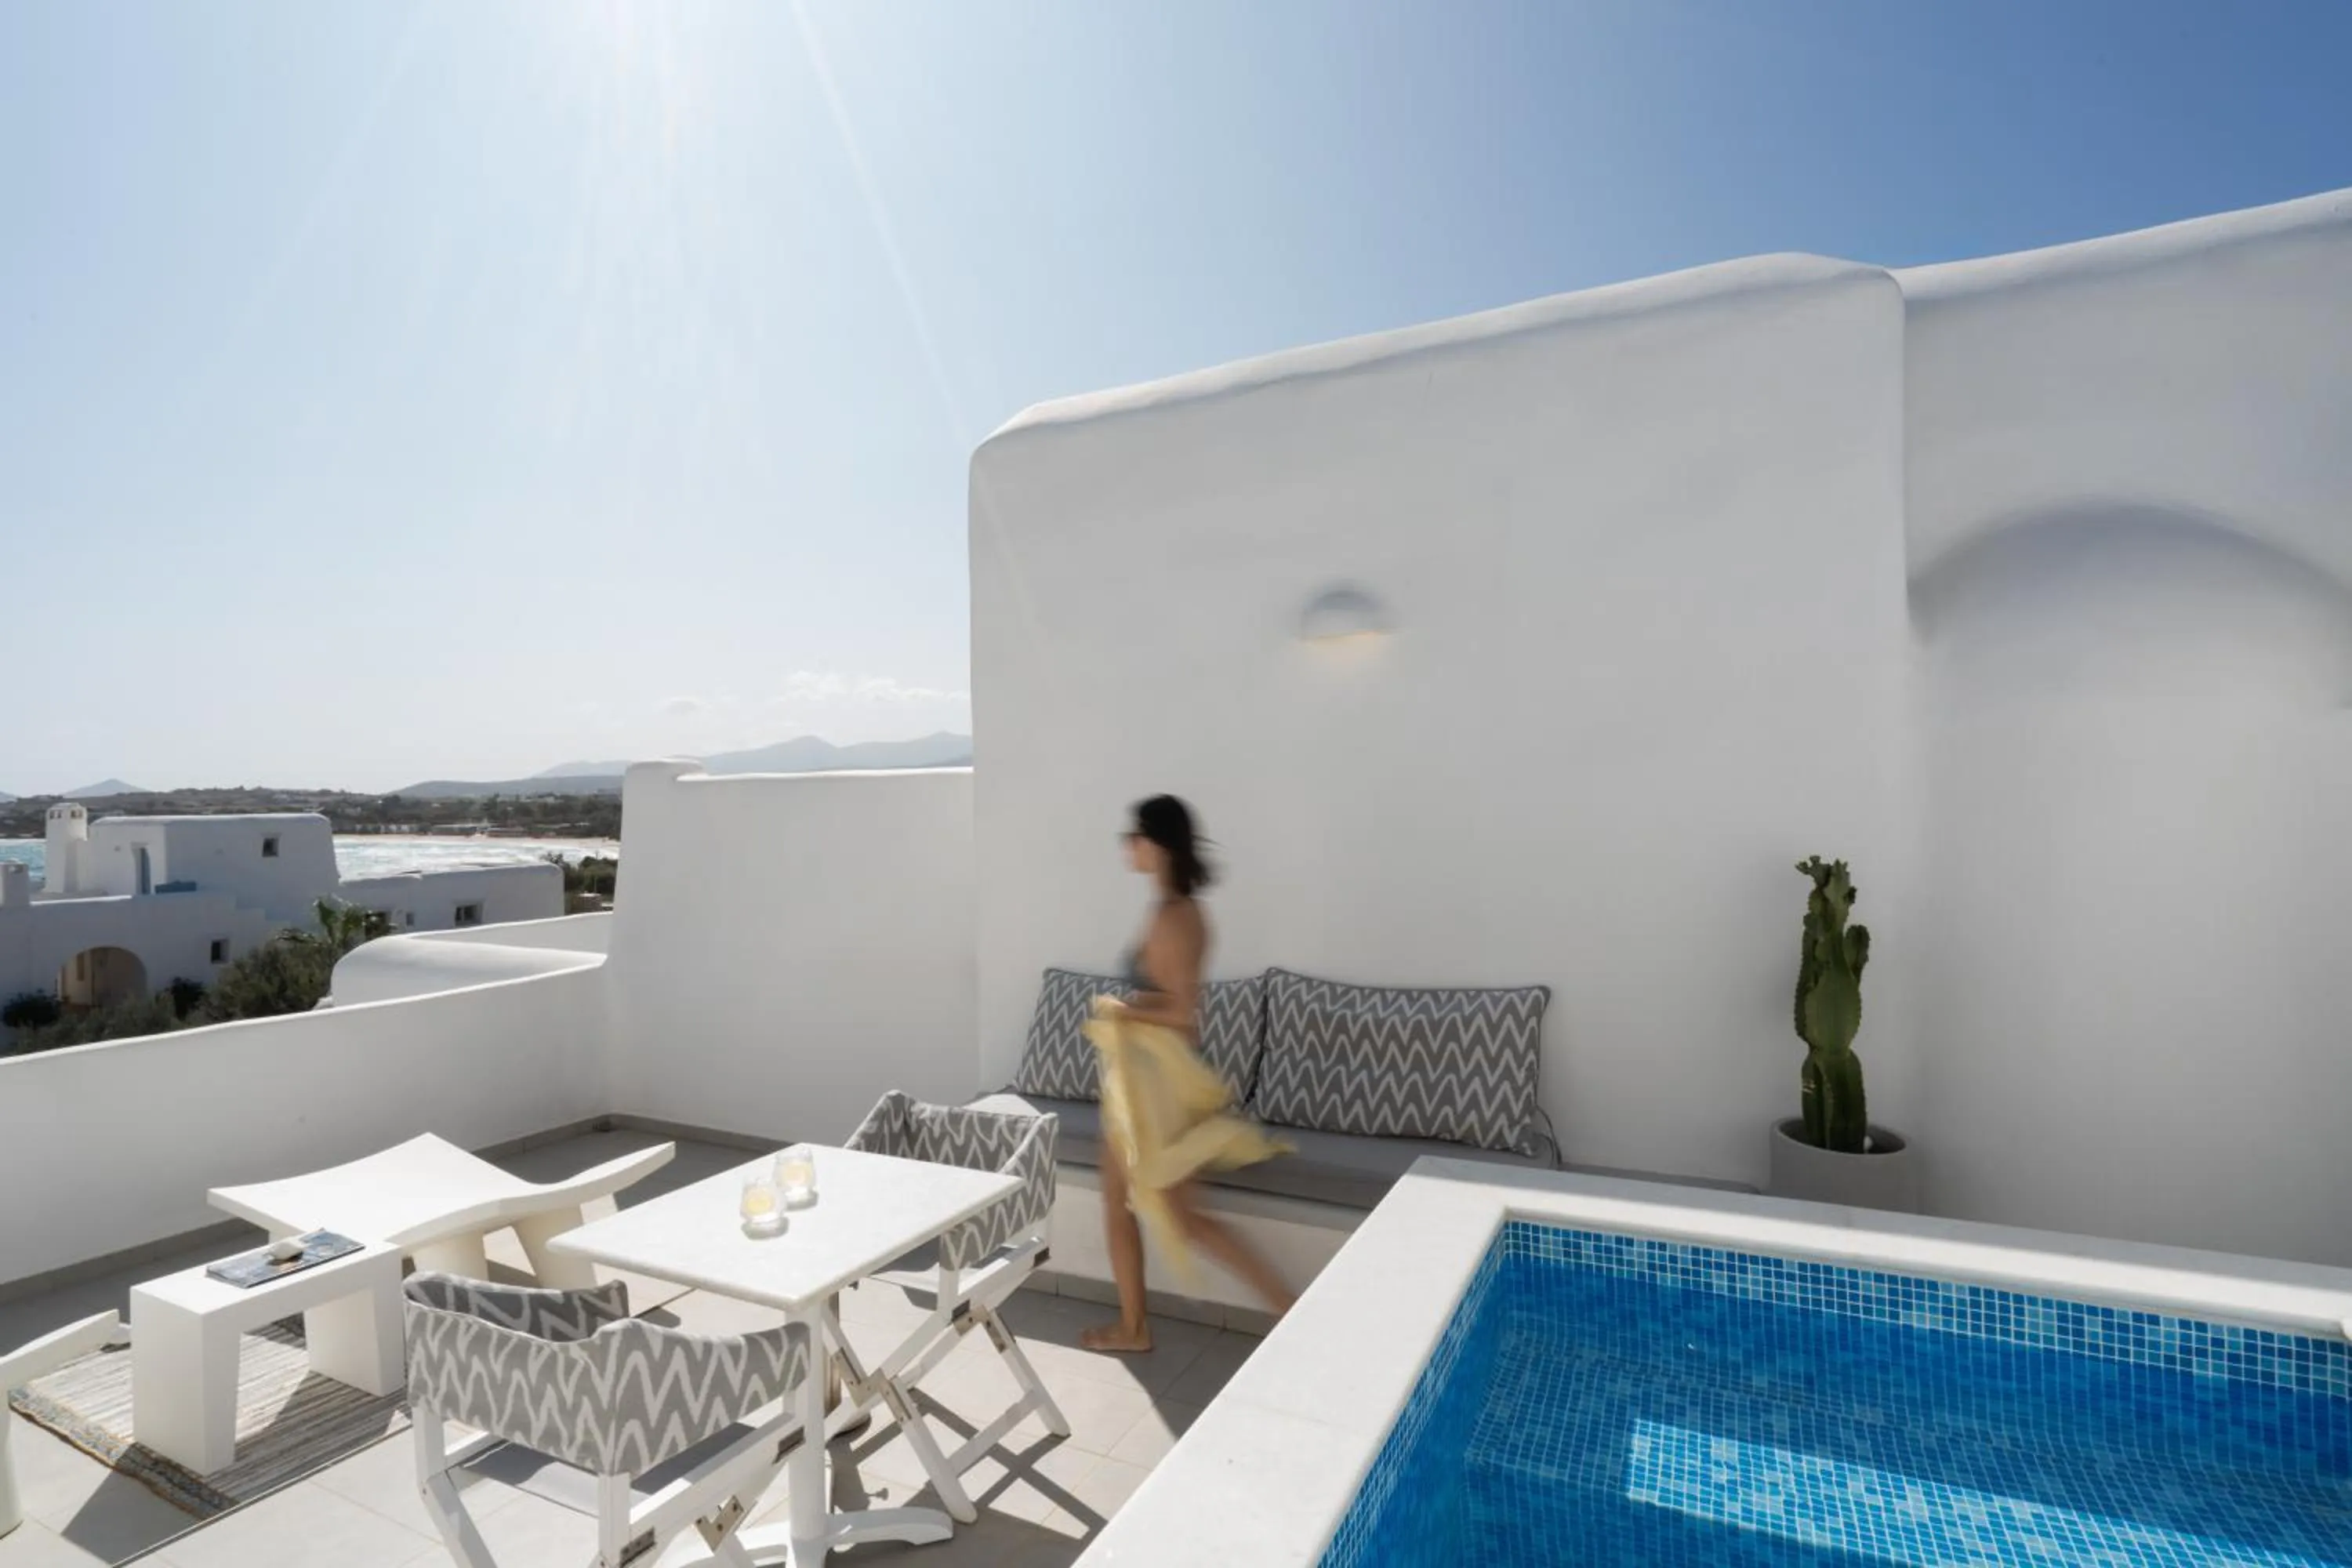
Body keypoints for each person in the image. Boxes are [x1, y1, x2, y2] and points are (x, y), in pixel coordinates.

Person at [1080, 795, 1294, 1354]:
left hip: (1160, 1092)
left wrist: (1123, 1009)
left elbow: (1182, 1014)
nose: (1128, 847)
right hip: (1139, 1087)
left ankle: (1294, 1313)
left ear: (1158, 843)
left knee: (1188, 1219)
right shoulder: (1176, 909)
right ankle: (1133, 1326)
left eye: (1135, 837)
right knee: (1118, 1201)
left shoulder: (1175, 917)